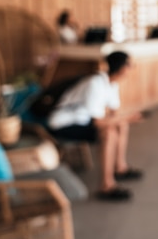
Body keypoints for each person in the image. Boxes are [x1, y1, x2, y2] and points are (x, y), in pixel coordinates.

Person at [47, 51, 143, 201]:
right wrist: (128, 117)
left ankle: (120, 168)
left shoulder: (112, 84)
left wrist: (124, 119)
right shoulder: (95, 83)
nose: (131, 68)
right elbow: (97, 122)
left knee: (121, 125)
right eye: (129, 65)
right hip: (64, 123)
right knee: (109, 132)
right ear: (122, 67)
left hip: (83, 121)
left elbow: (114, 114)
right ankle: (107, 185)